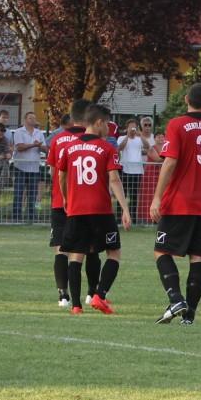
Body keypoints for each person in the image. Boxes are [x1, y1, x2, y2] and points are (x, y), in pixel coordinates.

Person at [147, 83, 201, 325]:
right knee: (198, 257)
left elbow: (170, 162)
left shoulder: (177, 124)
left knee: (161, 250)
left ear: (186, 99)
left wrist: (157, 197)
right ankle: (189, 315)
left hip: (180, 201)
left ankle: (176, 298)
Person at [58, 105, 129, 315]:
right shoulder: (107, 148)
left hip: (76, 209)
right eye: (107, 124)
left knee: (76, 255)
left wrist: (66, 198)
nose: (108, 129)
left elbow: (61, 176)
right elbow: (114, 179)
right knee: (113, 252)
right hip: (101, 210)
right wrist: (125, 209)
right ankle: (100, 295)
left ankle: (76, 306)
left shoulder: (69, 147)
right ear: (98, 123)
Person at [48, 100, 99, 308]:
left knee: (61, 248)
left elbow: (54, 171)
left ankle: (63, 295)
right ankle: (91, 293)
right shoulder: (94, 140)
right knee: (91, 248)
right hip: (87, 202)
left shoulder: (58, 139)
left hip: (60, 201)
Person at [10, 111, 45, 223]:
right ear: (25, 120)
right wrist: (34, 145)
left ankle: (31, 218)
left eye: (34, 118)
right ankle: (16, 218)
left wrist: (40, 146)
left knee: (32, 194)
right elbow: (19, 147)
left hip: (34, 168)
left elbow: (45, 148)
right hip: (20, 167)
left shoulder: (39, 133)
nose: (33, 120)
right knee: (18, 193)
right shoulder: (19, 132)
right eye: (30, 118)